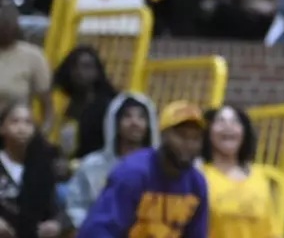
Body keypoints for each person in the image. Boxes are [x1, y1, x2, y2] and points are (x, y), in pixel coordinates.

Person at [77, 101, 210, 238]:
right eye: (181, 135)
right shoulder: (133, 172)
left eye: (196, 138)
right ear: (163, 135)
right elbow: (99, 230)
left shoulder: (197, 183)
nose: (189, 144)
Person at [65, 92, 158, 229]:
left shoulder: (160, 168)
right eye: (127, 116)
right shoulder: (92, 165)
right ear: (115, 123)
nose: (135, 122)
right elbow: (76, 206)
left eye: (141, 117)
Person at [202, 105, 277, 238]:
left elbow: (271, 231)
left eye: (235, 121)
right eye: (220, 121)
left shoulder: (259, 177)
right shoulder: (200, 175)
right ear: (208, 132)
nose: (228, 126)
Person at [0, 101, 65, 238]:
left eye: (28, 122)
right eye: (15, 121)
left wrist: (56, 224)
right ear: (2, 128)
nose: (22, 128)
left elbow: (55, 208)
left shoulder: (43, 167)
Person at [50, 46, 117, 159]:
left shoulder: (107, 106)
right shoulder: (72, 104)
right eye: (75, 67)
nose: (80, 72)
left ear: (97, 71)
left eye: (87, 67)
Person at [0, 5, 51, 139]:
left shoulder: (33, 56)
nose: (4, 28)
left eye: (8, 24)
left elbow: (47, 107)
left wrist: (41, 137)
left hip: (17, 136)